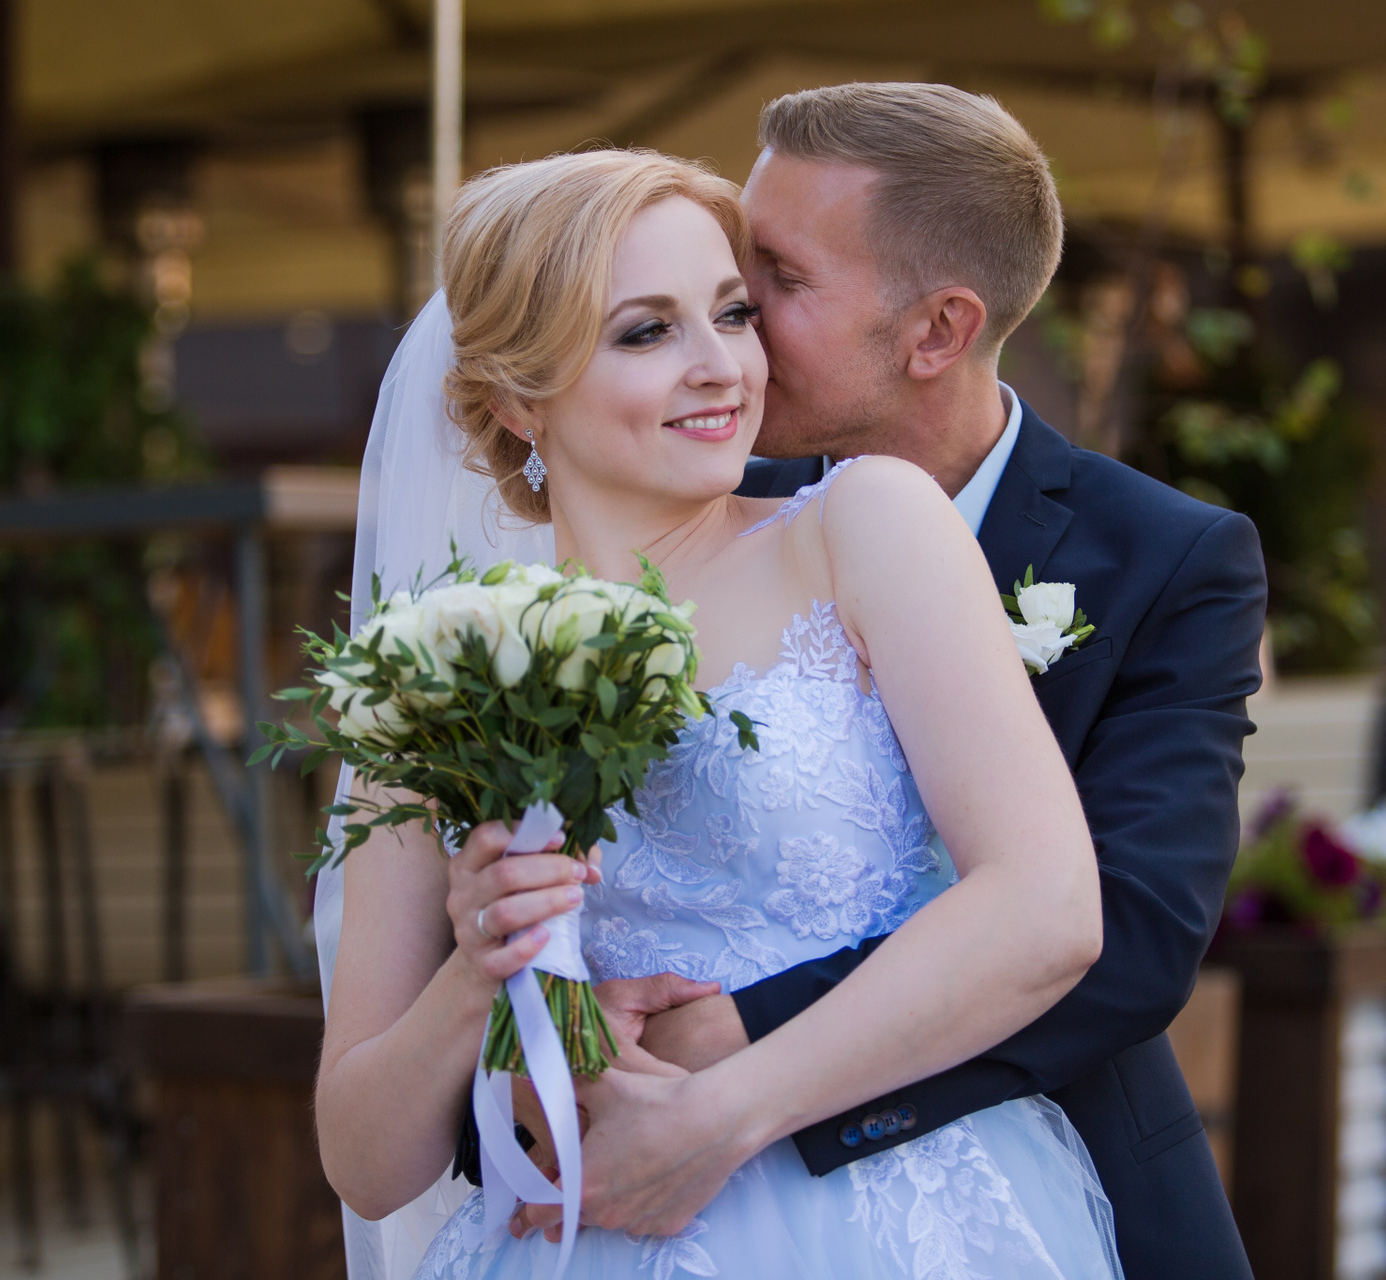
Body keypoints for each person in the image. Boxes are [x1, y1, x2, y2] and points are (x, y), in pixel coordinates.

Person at [316, 147, 1124, 1279]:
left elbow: (1047, 907)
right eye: (647, 331)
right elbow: (364, 1162)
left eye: (734, 313)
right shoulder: (435, 671)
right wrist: (479, 973)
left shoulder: (863, 525)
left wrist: (716, 1118)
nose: (723, 368)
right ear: (517, 396)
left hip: (881, 1220)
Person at [520, 84, 1265, 1279]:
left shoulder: (1166, 558)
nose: (732, 312)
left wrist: (731, 1036)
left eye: (777, 277)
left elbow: (1129, 931)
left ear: (936, 332)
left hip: (1045, 1188)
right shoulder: (692, 495)